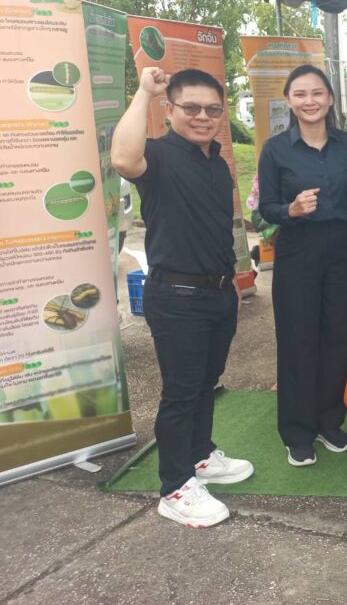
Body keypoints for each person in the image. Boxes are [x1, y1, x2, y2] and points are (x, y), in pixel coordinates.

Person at [111, 67, 252, 528]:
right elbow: (122, 159)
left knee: (207, 381)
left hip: (218, 292)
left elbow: (218, 230)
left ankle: (200, 454)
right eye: (191, 108)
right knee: (181, 391)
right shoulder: (156, 155)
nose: (202, 117)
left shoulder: (217, 164)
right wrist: (144, 92)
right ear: (170, 109)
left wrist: (233, 283)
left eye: (212, 109)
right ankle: (174, 486)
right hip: (176, 296)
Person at [258, 65, 347, 467]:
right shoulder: (275, 150)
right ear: (289, 101)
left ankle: (328, 421)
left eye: (317, 93)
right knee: (298, 340)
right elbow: (265, 209)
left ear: (330, 99)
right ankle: (297, 431)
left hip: (343, 250)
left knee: (337, 337)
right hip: (297, 250)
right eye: (300, 94)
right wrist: (291, 209)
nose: (310, 101)